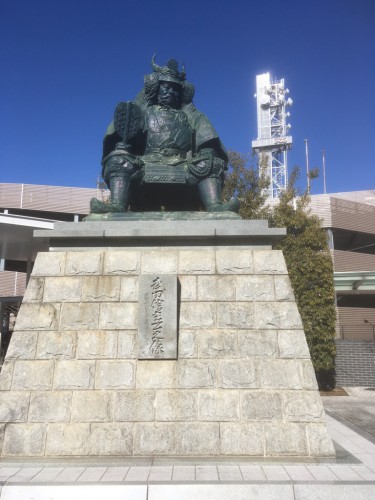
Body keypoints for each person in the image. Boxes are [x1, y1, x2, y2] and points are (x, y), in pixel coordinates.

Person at [90, 57, 239, 213]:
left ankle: (214, 205)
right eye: (166, 87)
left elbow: (207, 137)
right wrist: (123, 143)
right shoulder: (141, 112)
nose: (171, 92)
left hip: (184, 164)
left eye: (176, 89)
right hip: (145, 164)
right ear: (156, 88)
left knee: (211, 163)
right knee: (117, 159)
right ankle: (117, 205)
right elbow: (121, 130)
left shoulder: (192, 115)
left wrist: (207, 150)